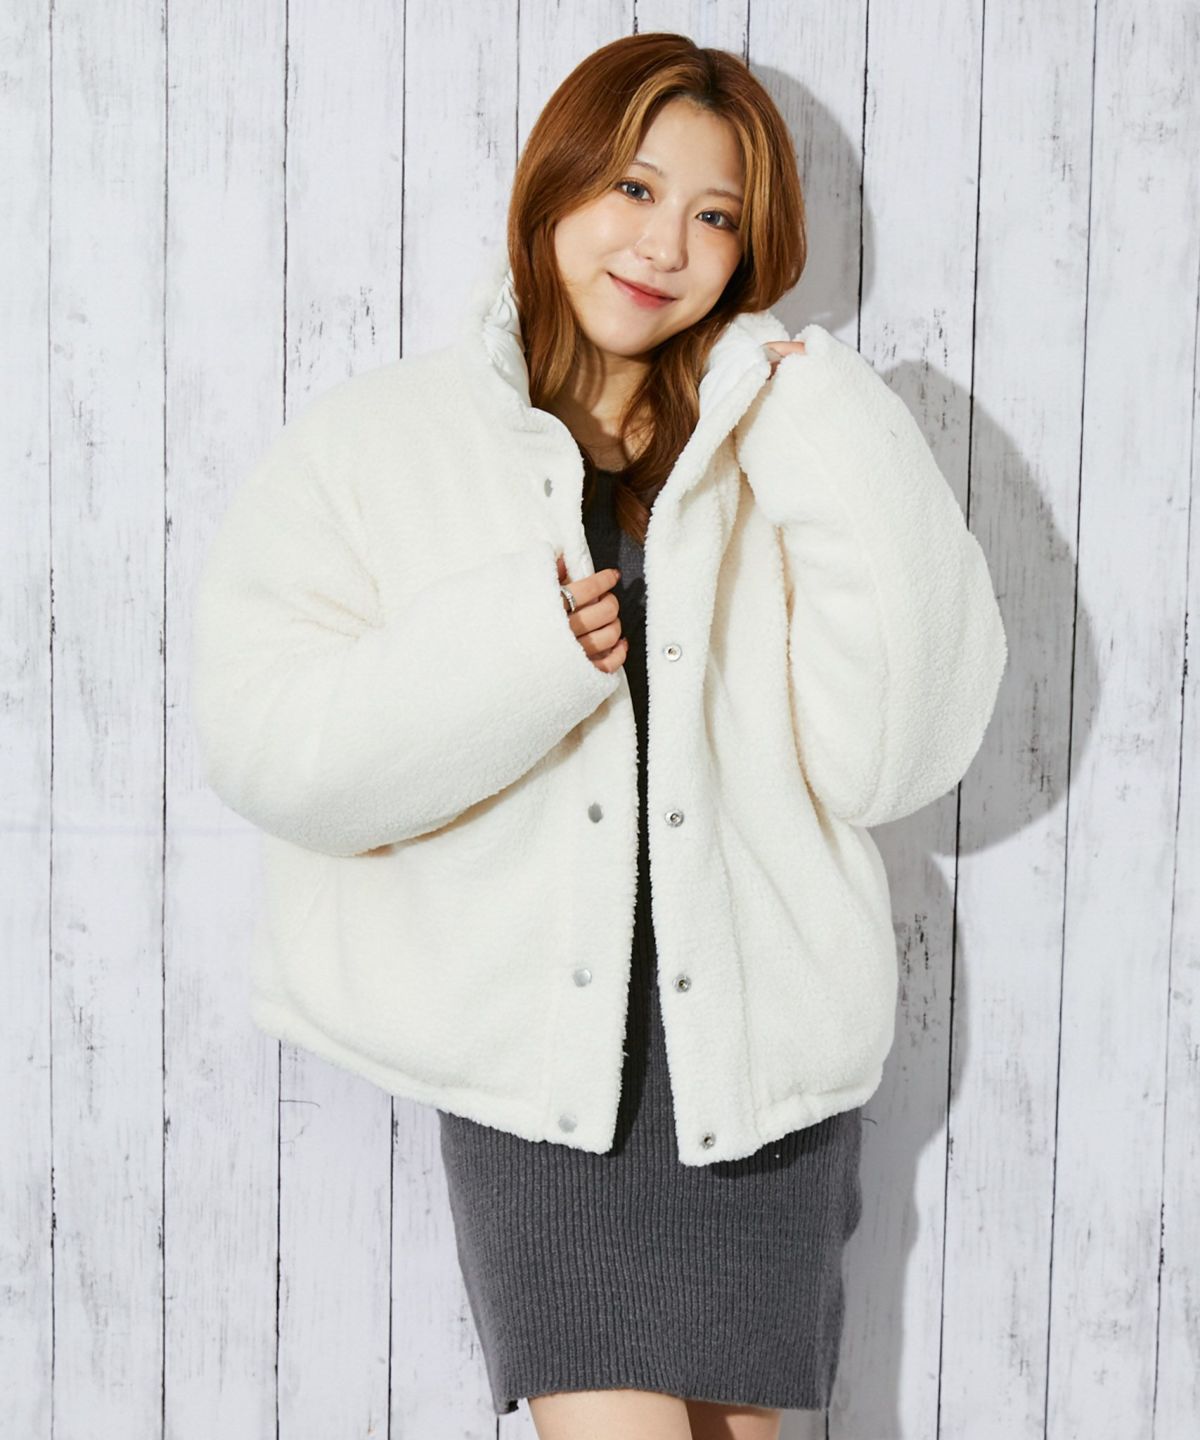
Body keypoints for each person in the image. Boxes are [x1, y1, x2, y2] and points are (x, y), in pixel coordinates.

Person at [190, 31, 1007, 1440]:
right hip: (548, 1087)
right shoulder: (382, 445)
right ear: (555, 184)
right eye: (634, 188)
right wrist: (519, 655)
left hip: (758, 1073)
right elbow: (267, 745)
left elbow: (895, 755)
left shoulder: (769, 448)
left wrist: (829, 426)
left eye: (715, 216)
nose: (664, 245)